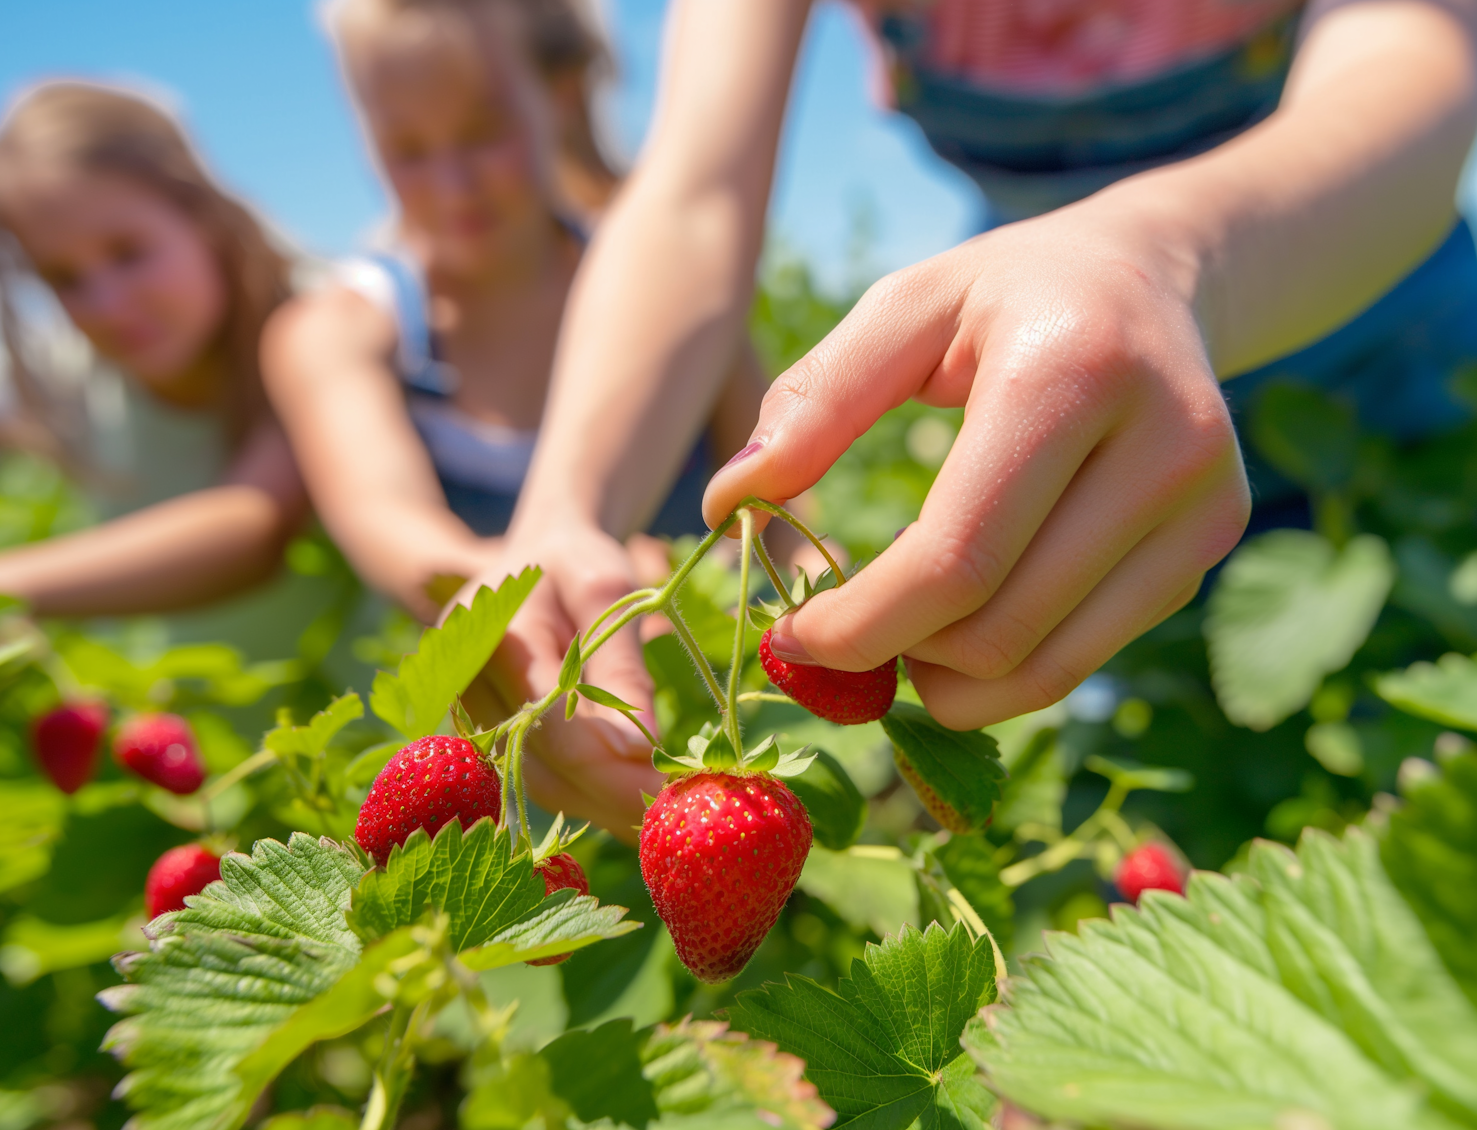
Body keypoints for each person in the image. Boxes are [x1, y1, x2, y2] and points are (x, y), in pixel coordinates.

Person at [463, 0, 1477, 835]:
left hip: (1403, 417)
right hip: (1063, 435)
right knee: (1146, 824)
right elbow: (694, 196)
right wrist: (567, 506)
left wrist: (1158, 257)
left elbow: (1418, 65)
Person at [262, 0, 778, 831]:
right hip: (520, 768)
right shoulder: (340, 331)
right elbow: (387, 522)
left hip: (731, 724)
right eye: (408, 150)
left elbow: (777, 502)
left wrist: (762, 616)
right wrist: (515, 591)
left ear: (561, 97)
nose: (453, 183)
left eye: (483, 130)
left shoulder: (670, 295)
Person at [0, 82, 307, 616]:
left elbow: (251, 528)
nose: (106, 305)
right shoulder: (71, 374)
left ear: (202, 214)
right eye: (63, 278)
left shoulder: (317, 329)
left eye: (127, 253)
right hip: (168, 697)